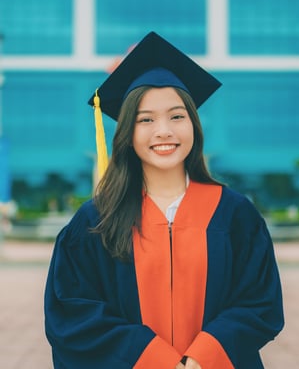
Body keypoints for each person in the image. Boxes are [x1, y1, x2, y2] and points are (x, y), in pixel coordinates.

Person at [44, 32, 284, 369]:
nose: (164, 131)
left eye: (176, 116)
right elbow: (72, 312)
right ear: (127, 133)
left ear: (193, 125)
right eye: (146, 119)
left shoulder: (234, 214)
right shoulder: (96, 220)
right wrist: (153, 359)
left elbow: (260, 302)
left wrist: (204, 356)